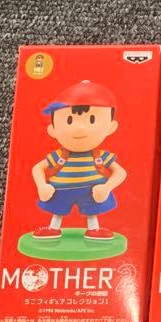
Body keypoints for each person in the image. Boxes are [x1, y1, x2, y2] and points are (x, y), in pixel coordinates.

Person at [32, 80, 127, 239]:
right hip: (60, 190)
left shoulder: (101, 156)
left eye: (91, 120)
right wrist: (41, 186)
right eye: (69, 120)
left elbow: (121, 172)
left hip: (91, 191)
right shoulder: (58, 156)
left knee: (92, 211)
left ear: (111, 127)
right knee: (57, 210)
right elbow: (37, 168)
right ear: (52, 129)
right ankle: (53, 228)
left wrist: (107, 188)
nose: (79, 128)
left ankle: (94, 229)